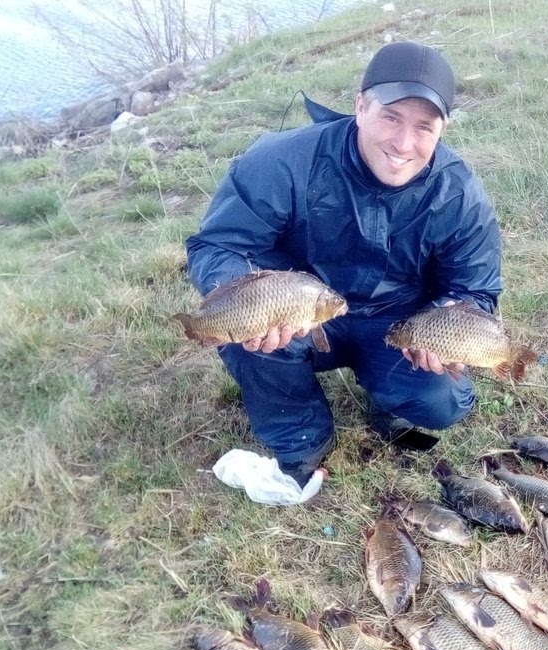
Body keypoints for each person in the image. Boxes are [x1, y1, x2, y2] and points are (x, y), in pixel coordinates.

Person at [184, 42, 503, 488]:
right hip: (298, 312)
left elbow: (476, 287)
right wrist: (245, 294)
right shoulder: (282, 161)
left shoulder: (460, 195)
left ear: (442, 129)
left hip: (399, 325)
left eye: (424, 128)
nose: (403, 143)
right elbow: (217, 244)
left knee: (442, 401)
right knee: (245, 335)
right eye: (390, 117)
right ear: (359, 106)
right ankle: (302, 440)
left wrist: (449, 323)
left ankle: (387, 396)